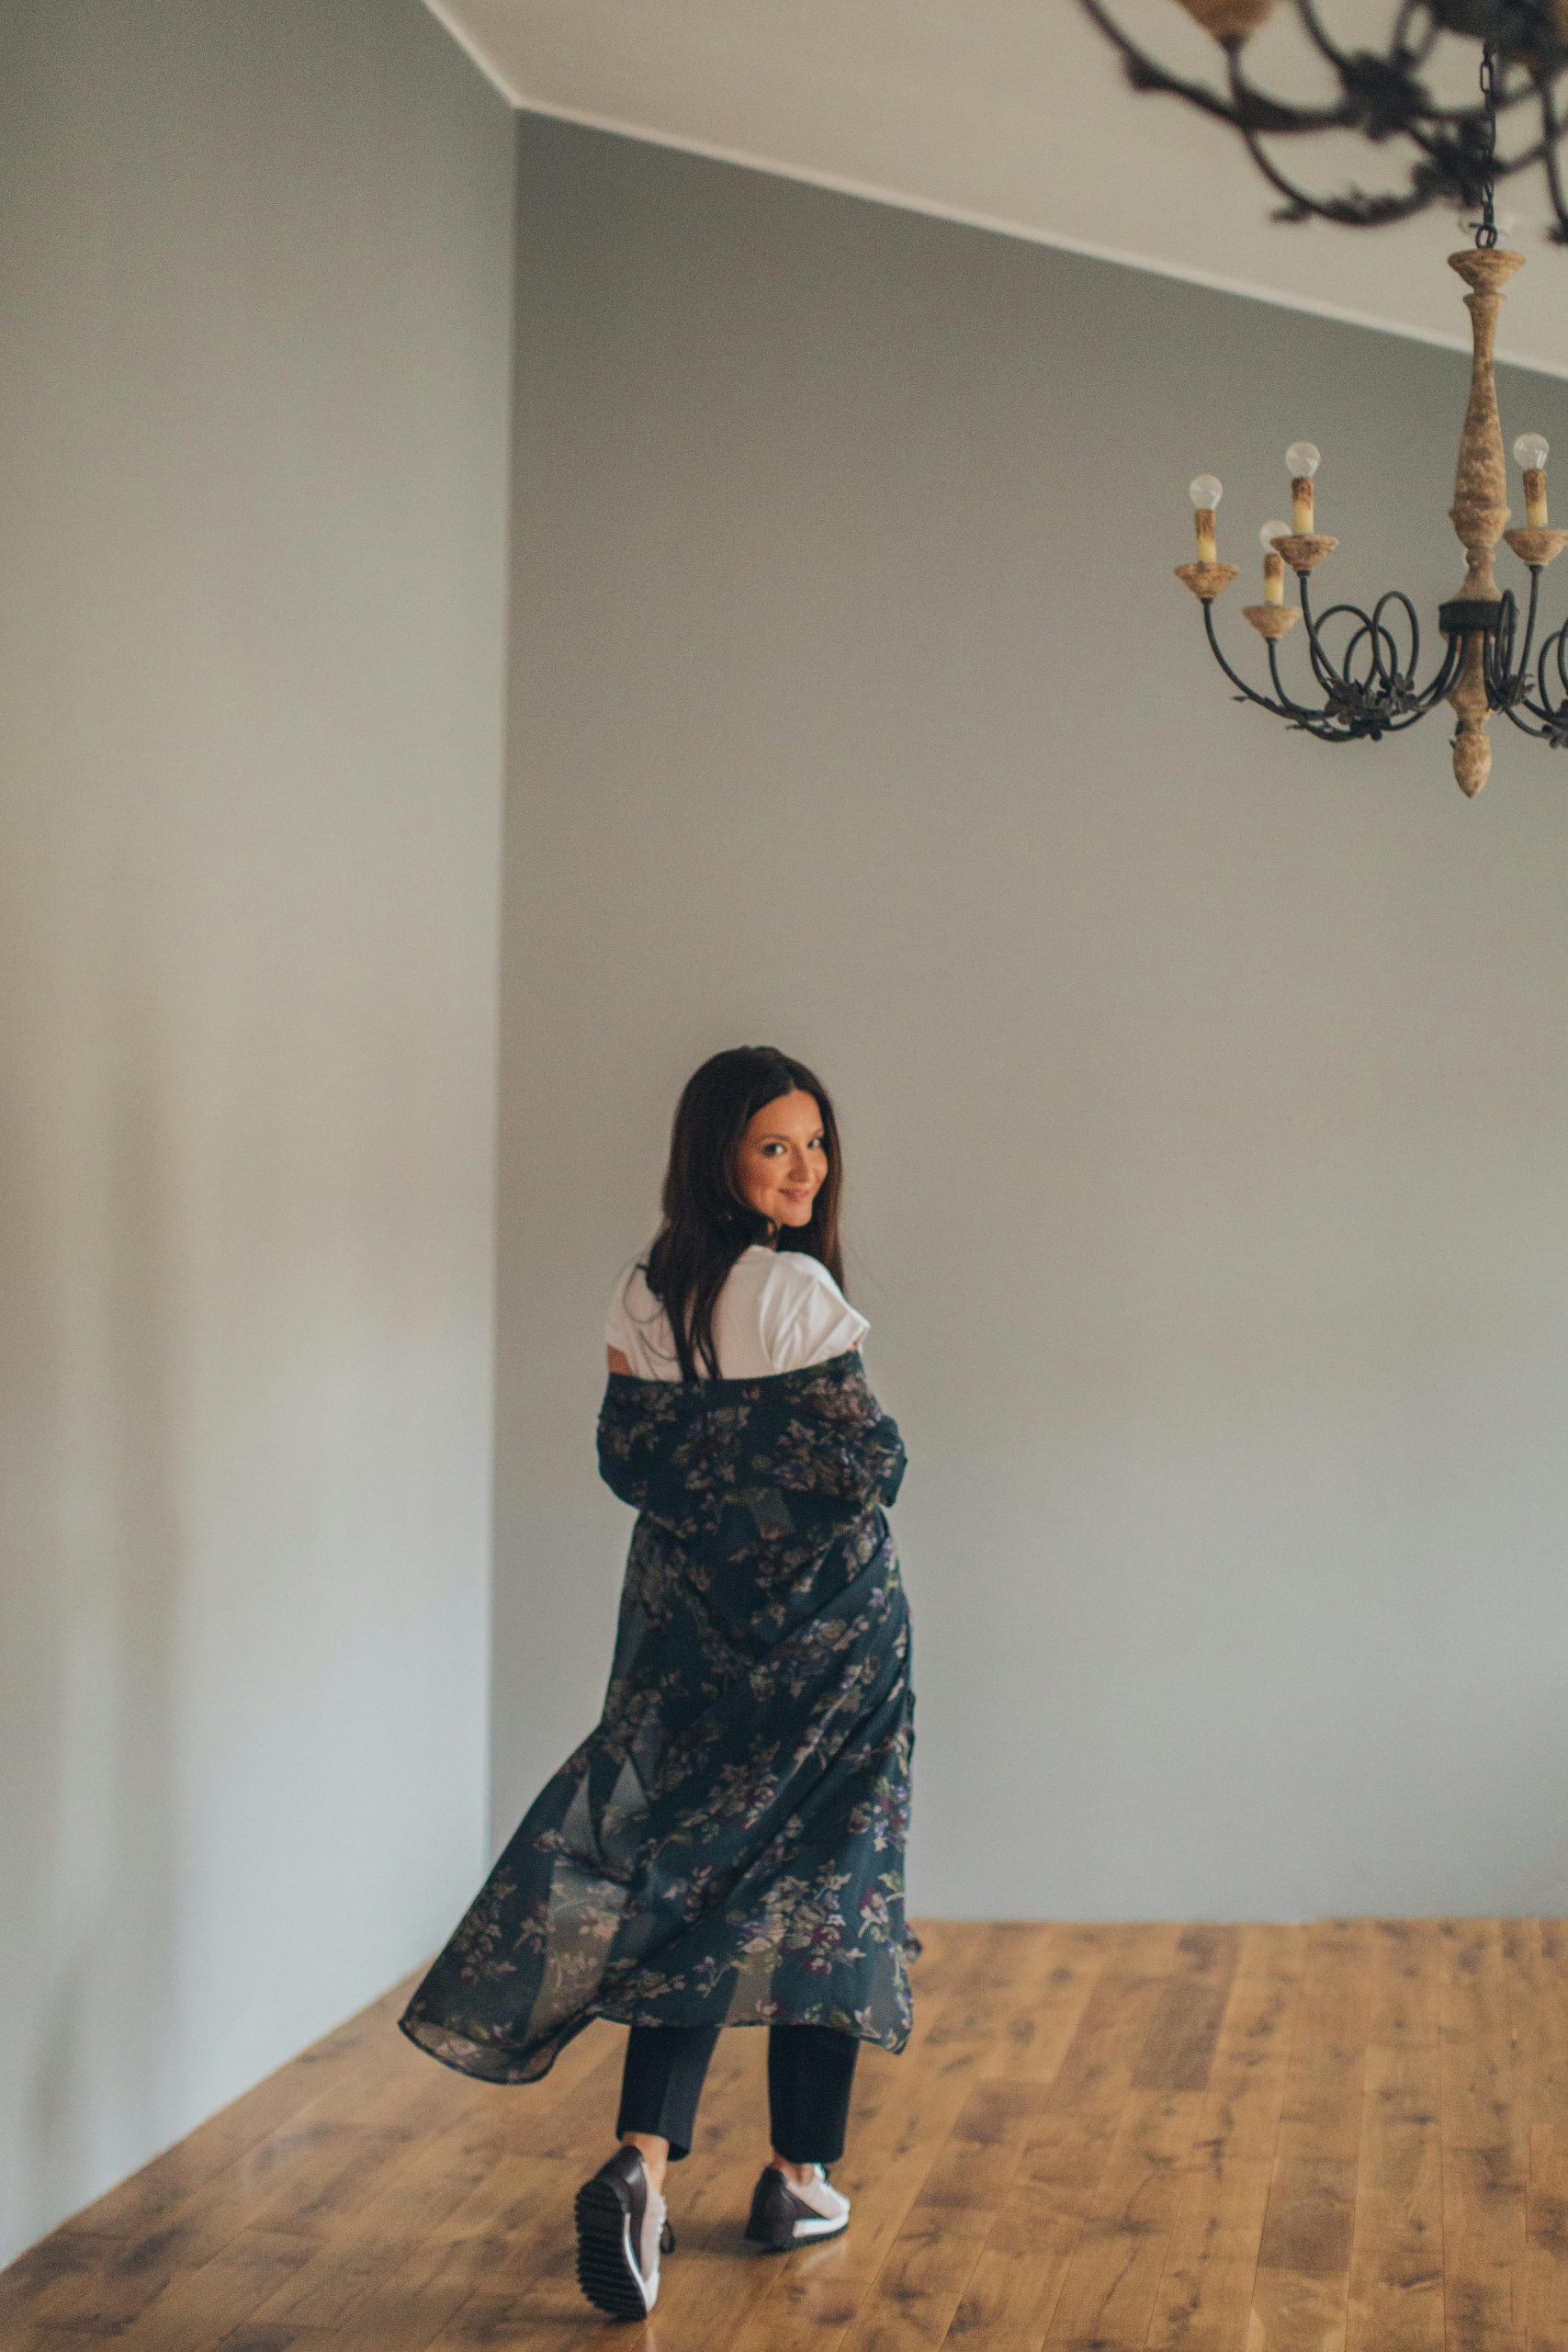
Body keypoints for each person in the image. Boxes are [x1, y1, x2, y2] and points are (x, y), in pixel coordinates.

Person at [398, 1045, 917, 2322]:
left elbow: (632, 1463)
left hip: (688, 1642)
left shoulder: (647, 1291)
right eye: (775, 1147)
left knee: (697, 1890)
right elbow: (868, 1470)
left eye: (815, 1142)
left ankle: (644, 2162)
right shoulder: (798, 1297)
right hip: (832, 1646)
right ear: (719, 1158)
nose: (806, 1170)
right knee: (827, 1900)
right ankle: (799, 2172)